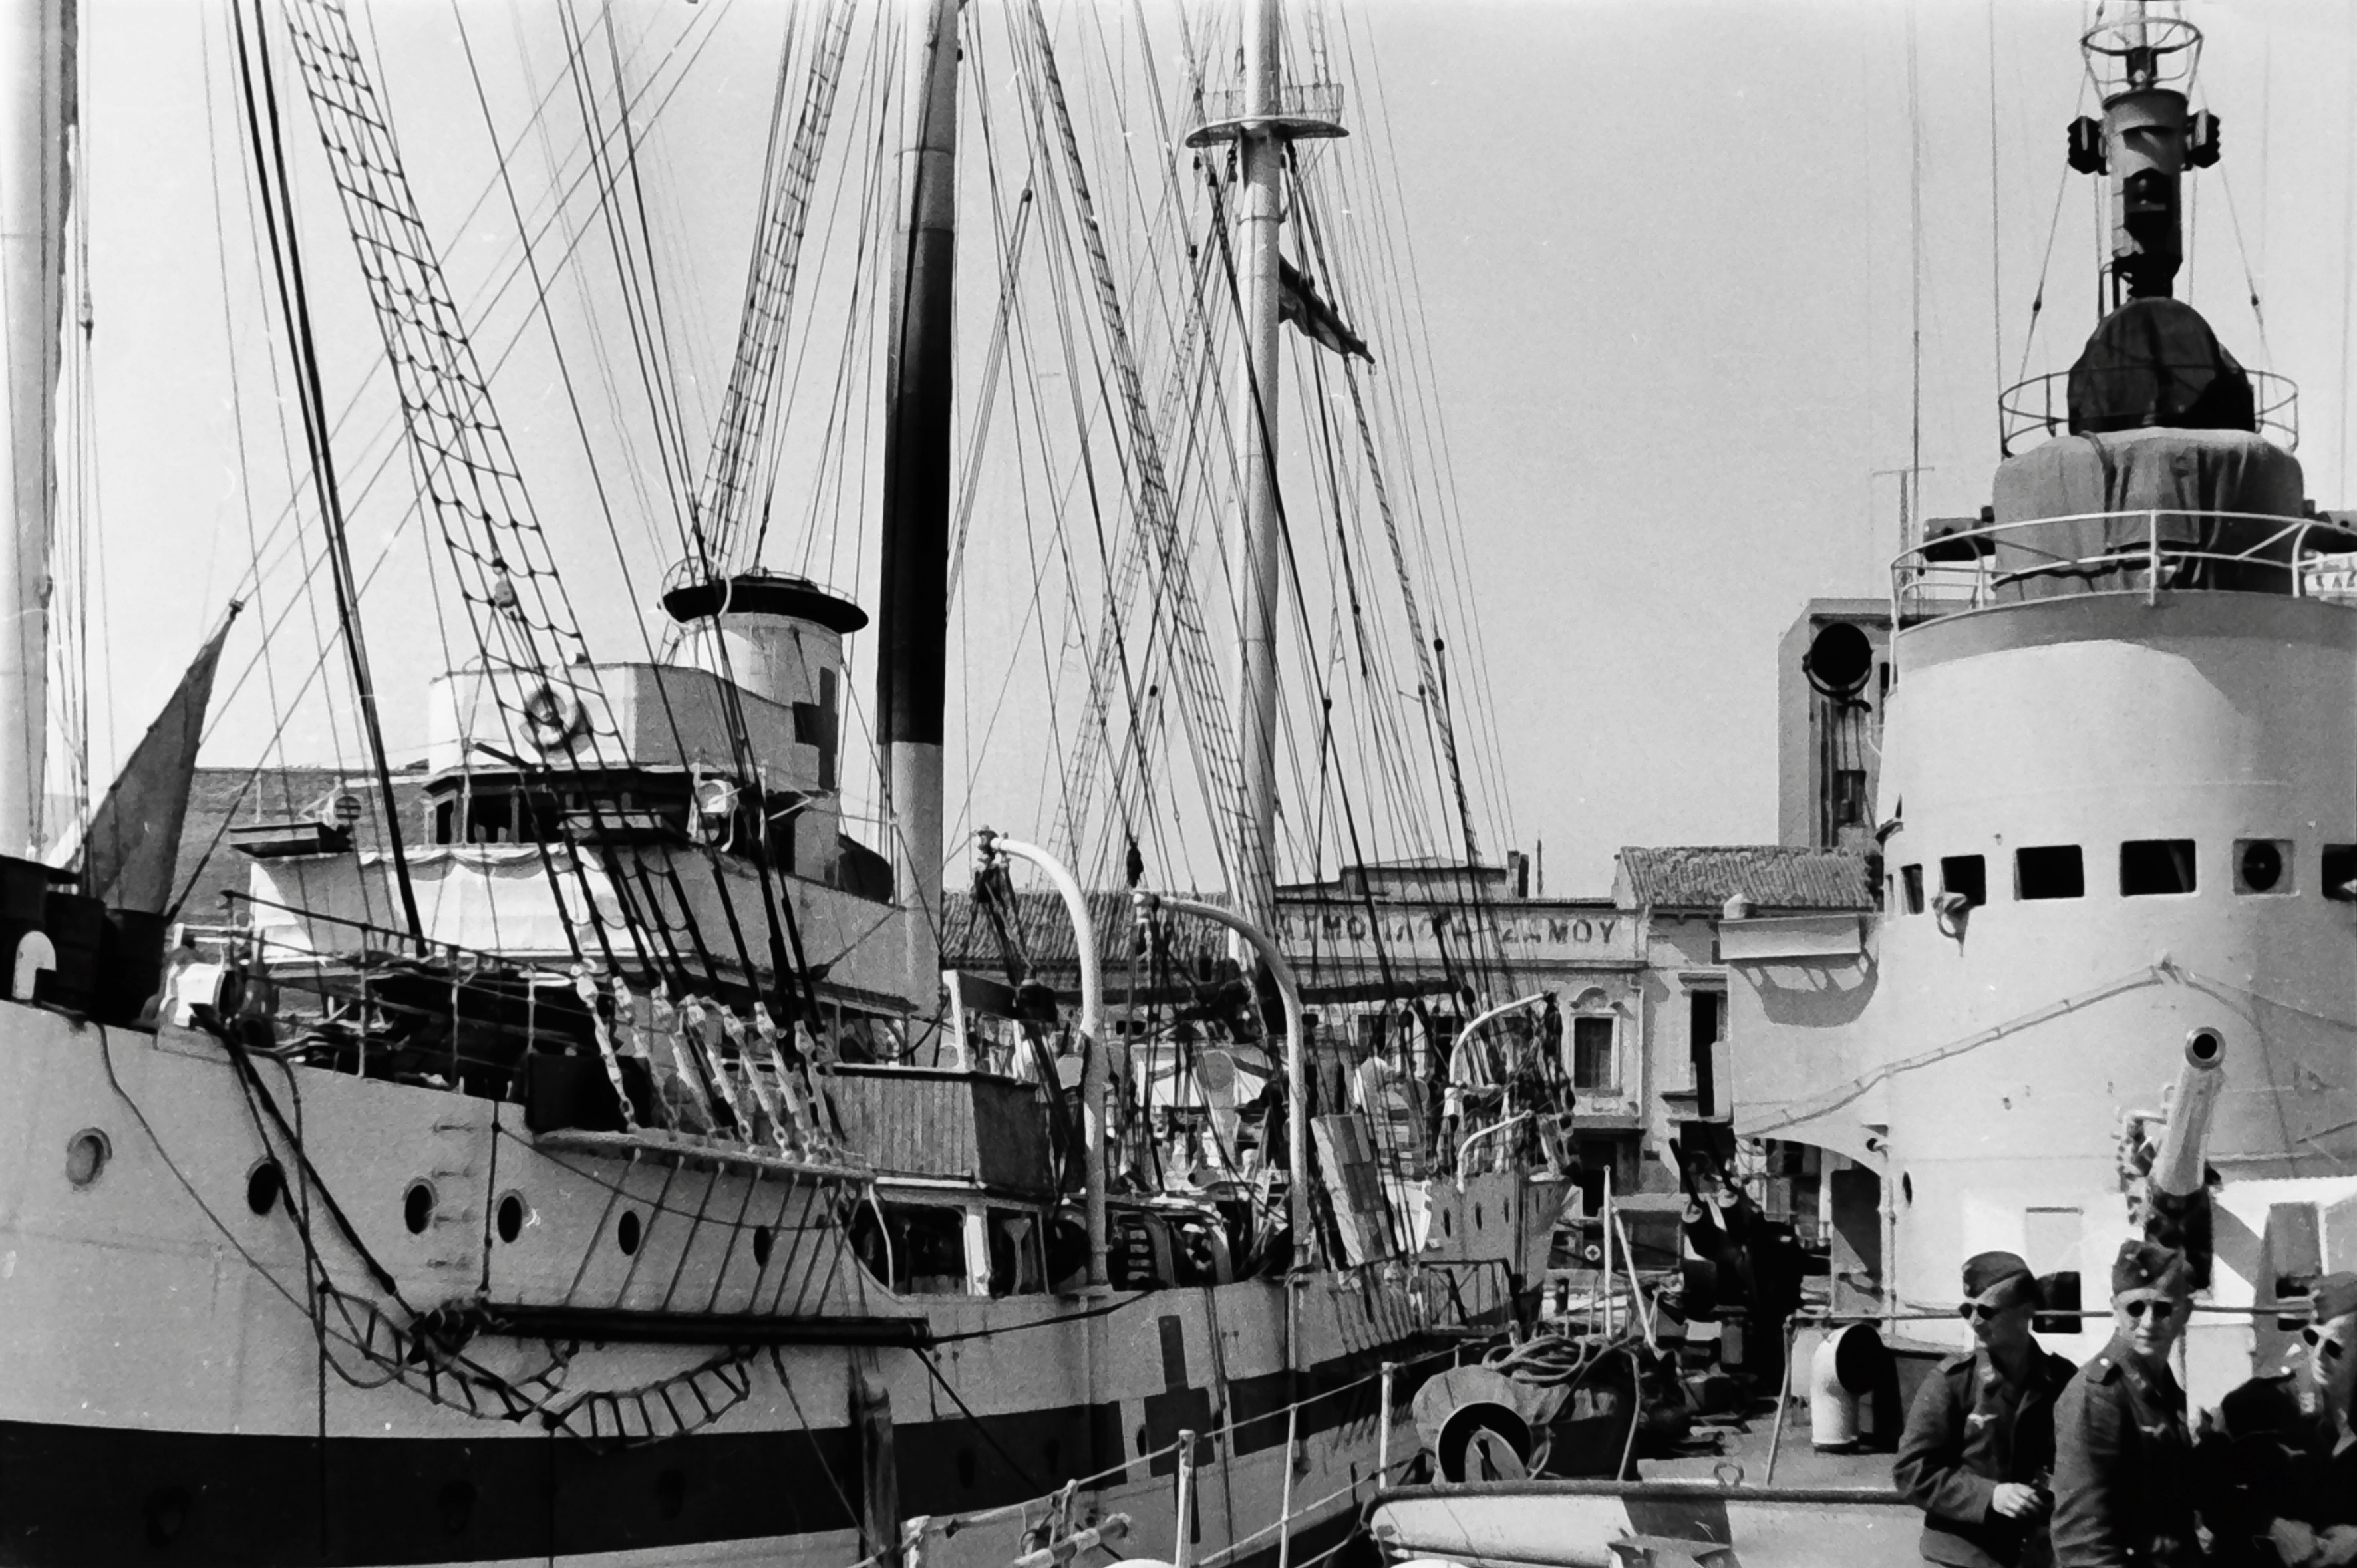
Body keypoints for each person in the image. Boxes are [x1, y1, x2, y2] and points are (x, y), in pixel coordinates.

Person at [1896, 1251, 2077, 1567]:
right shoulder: (1952, 1382)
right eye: (1967, 1310)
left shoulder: (2061, 1379)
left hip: (2035, 1554)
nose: (1974, 1322)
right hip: (1962, 1556)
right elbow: (1911, 1470)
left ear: (2026, 1312)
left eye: (1987, 1311)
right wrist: (1989, 1496)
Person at [2051, 1241, 2202, 1568]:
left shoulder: (2163, 1388)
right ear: (2115, 1310)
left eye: (2163, 1309)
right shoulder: (2098, 1394)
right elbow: (2083, 1541)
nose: (2149, 1322)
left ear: (2185, 1312)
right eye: (2135, 1308)